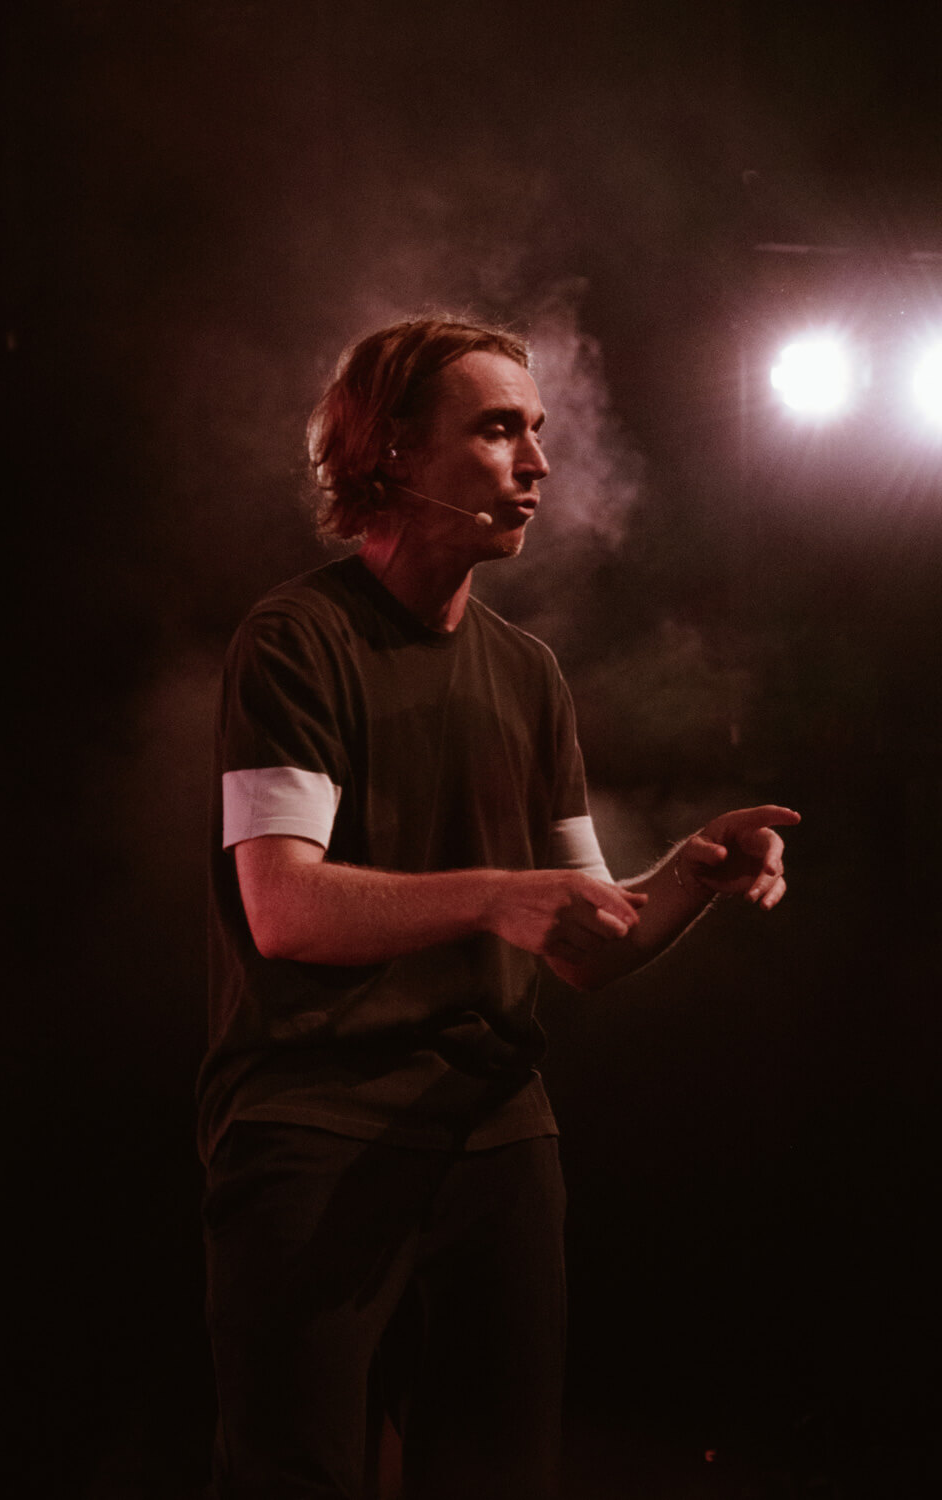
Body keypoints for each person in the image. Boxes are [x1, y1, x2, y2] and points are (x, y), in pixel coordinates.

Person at [197, 316, 799, 1500]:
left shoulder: (529, 673)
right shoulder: (296, 640)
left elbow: (586, 940)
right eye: (496, 429)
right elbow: (282, 907)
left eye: (537, 429)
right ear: (392, 452)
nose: (537, 462)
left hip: (494, 1131)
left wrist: (690, 877)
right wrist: (496, 898)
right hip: (314, 1122)